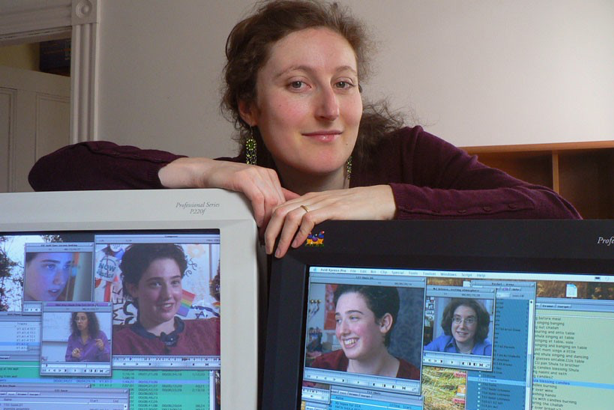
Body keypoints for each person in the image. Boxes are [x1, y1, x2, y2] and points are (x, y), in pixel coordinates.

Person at [28, 1, 581, 259]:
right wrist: (203, 171)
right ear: (249, 106)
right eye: (298, 85)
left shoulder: (406, 155)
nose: (329, 110)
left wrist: (384, 199)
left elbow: (559, 216)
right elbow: (53, 173)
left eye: (344, 83)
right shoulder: (231, 193)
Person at [113, 243, 220, 356]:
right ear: (133, 289)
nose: (168, 294)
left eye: (174, 282)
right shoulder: (116, 345)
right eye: (155, 284)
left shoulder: (211, 332)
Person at [310, 285, 420, 380]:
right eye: (338, 320)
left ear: (384, 323)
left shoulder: (415, 379)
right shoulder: (323, 367)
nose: (342, 331)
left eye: (353, 318)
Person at [424, 298, 492, 356]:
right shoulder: (442, 342)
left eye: (469, 320)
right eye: (457, 319)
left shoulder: (489, 351)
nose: (462, 326)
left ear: (479, 324)